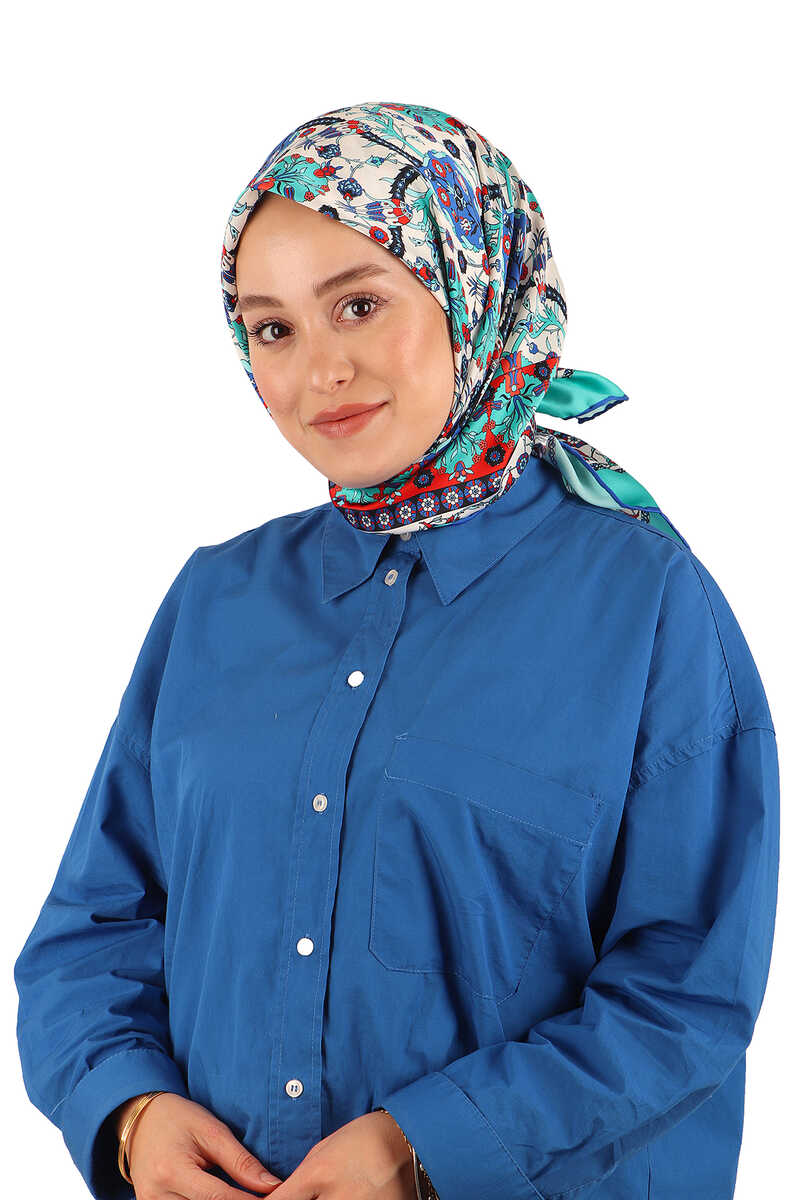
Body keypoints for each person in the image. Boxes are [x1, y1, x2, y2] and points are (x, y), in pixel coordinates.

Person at [14, 98, 780, 1200]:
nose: (318, 372)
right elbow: (92, 931)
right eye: (272, 329)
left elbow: (685, 994)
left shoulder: (647, 604)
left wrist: (428, 1148)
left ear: (476, 287)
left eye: (359, 305)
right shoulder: (216, 599)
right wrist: (129, 1113)